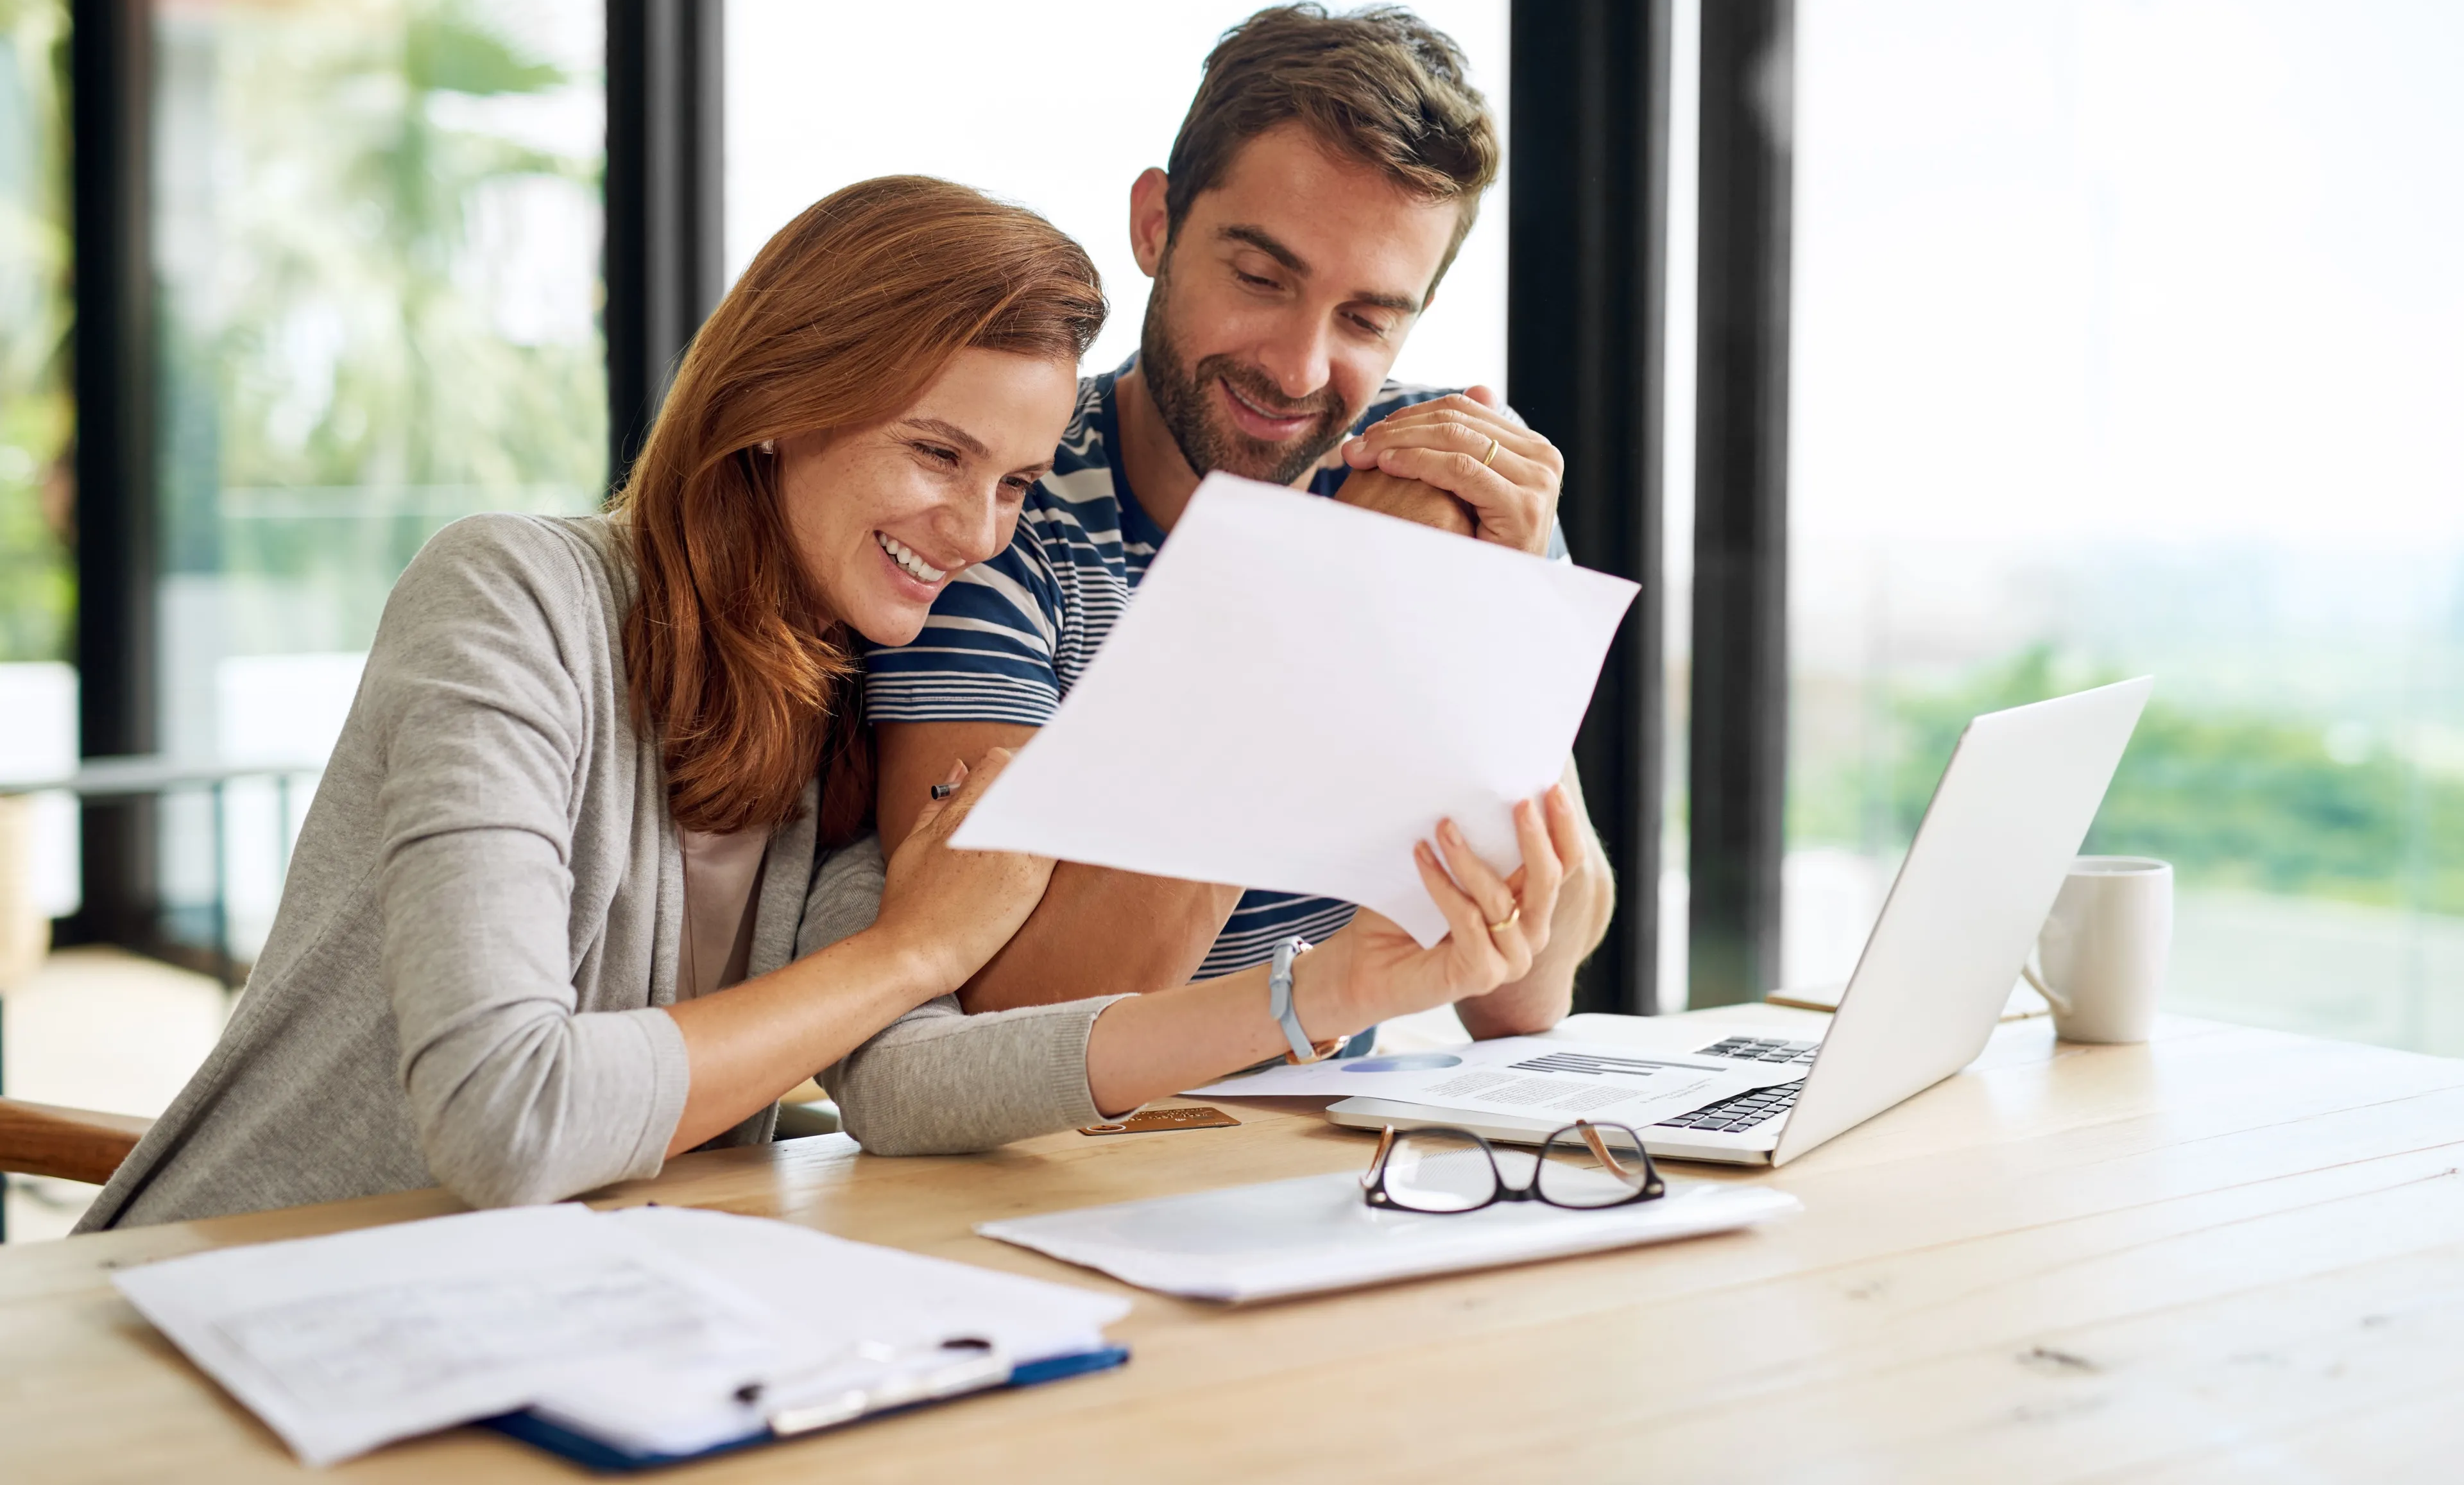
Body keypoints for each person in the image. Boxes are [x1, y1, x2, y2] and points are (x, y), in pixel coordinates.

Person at [80, 175, 1573, 1226]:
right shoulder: (510, 598)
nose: (980, 530)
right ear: (777, 402)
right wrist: (915, 946)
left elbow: (905, 1084)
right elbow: (506, 1112)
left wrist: (1329, 998)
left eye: (1009, 482)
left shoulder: (834, 686)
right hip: (223, 1299)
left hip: (517, 1313)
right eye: (935, 455)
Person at [867, 4, 1614, 1034]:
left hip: (1343, 1150)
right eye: (1262, 279)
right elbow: (1004, 1011)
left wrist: (1497, 612)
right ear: (1155, 225)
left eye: (1364, 320)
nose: (1299, 367)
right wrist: (1330, 603)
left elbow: (1522, 997)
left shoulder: (1440, 481)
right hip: (1084, 1168)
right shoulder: (1001, 505)